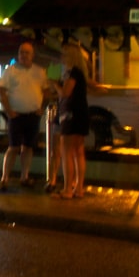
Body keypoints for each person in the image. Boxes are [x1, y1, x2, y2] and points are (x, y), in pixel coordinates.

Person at [0, 42, 49, 190]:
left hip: (32, 115)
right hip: (16, 115)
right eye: (21, 52)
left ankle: (24, 176)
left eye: (27, 52)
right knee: (13, 147)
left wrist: (42, 108)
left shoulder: (39, 71)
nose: (24, 55)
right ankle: (5, 177)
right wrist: (9, 111)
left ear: (32, 55)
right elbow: (0, 90)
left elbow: (46, 91)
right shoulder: (11, 71)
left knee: (28, 147)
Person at [52, 43, 90, 199]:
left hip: (71, 115)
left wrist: (54, 84)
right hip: (81, 114)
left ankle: (68, 189)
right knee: (78, 152)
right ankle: (78, 188)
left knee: (67, 151)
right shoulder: (80, 73)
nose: (61, 57)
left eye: (63, 54)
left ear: (70, 56)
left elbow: (65, 93)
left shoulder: (72, 73)